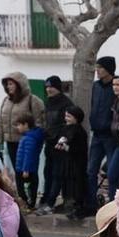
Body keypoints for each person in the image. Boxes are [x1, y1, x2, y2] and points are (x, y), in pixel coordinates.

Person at [83, 57, 118, 216]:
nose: (97, 70)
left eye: (100, 68)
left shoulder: (116, 86)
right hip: (96, 134)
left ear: (108, 69)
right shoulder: (95, 87)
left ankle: (112, 207)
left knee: (112, 172)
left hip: (110, 136)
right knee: (91, 170)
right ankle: (90, 204)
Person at [0, 72, 44, 176]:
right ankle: (20, 192)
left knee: (29, 171)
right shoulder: (6, 100)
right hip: (10, 142)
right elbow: (1, 121)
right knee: (17, 172)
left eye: (11, 84)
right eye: (7, 84)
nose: (8, 87)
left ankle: (32, 192)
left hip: (27, 142)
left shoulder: (33, 100)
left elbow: (40, 122)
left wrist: (34, 139)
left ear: (20, 84)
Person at [40, 75, 76, 213]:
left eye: (51, 87)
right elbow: (46, 121)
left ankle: (51, 202)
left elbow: (67, 124)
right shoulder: (48, 102)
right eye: (47, 87)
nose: (49, 89)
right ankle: (45, 198)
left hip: (60, 143)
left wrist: (62, 138)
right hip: (49, 141)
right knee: (47, 172)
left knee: (57, 173)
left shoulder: (66, 103)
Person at [53, 104, 90, 217]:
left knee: (77, 184)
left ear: (76, 118)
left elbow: (80, 148)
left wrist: (67, 147)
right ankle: (68, 202)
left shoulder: (80, 131)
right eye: (66, 116)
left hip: (77, 162)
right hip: (67, 161)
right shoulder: (65, 128)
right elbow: (61, 139)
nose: (66, 119)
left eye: (69, 116)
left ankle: (78, 206)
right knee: (67, 183)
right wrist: (60, 145)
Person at [11, 115, 45, 209]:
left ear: (26, 125)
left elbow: (28, 155)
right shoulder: (28, 137)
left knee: (24, 188)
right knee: (29, 187)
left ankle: (27, 204)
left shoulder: (29, 138)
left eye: (19, 125)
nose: (17, 128)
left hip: (25, 169)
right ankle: (28, 204)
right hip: (24, 168)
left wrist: (26, 169)